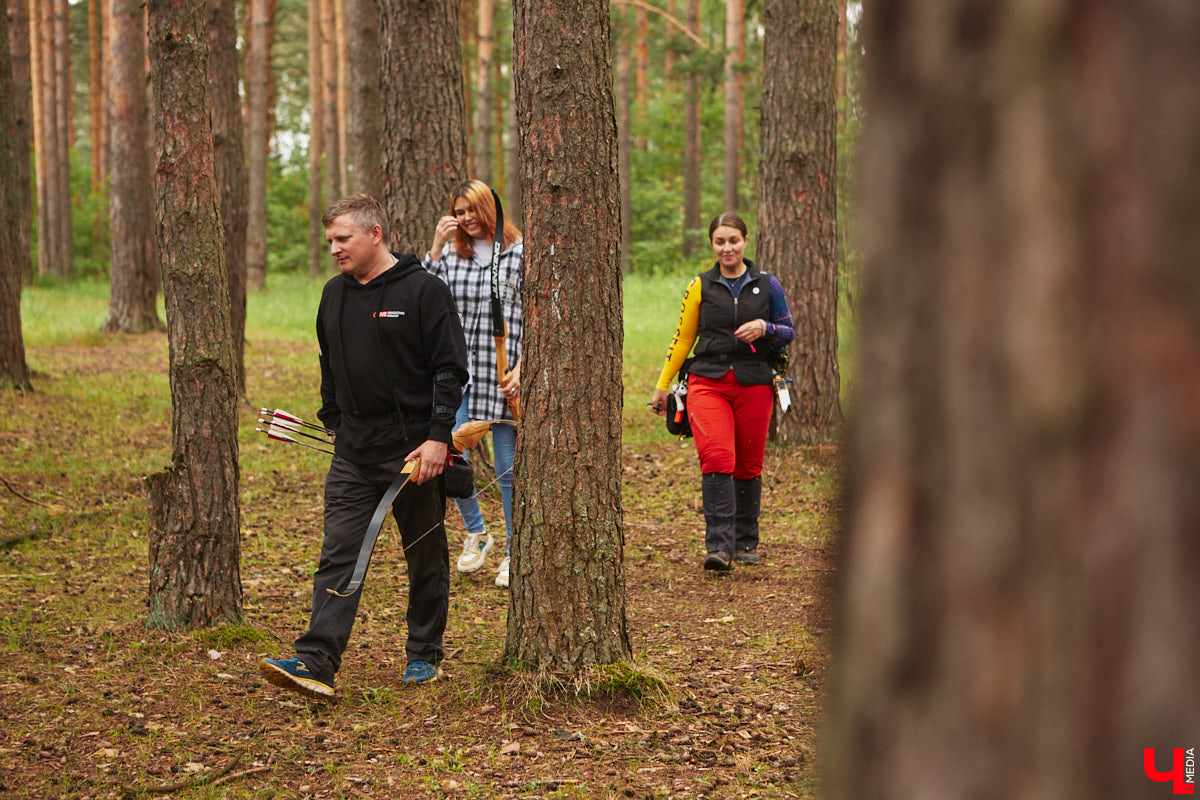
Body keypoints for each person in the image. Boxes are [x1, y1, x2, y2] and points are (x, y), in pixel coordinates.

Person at [260, 194, 469, 698]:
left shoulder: (425, 291)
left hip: (415, 453)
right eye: (330, 239)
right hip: (353, 452)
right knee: (339, 554)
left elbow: (450, 369)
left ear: (375, 234)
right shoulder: (334, 294)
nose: (334, 248)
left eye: (343, 238)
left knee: (424, 555)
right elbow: (328, 361)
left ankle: (424, 653)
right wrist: (333, 419)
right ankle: (316, 661)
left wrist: (438, 438)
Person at [649, 212, 795, 571]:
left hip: (754, 382)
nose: (727, 247)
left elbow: (788, 331)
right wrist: (662, 385)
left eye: (733, 240)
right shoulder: (700, 286)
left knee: (748, 464)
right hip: (708, 381)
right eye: (720, 241)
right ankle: (719, 547)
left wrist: (765, 327)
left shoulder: (767, 283)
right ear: (712, 245)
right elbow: (683, 338)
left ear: (745, 242)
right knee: (717, 458)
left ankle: (747, 543)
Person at [423, 179, 523, 588]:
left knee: (506, 467)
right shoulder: (450, 254)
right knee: (450, 455)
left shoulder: (517, 254)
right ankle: (478, 532)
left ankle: (516, 550)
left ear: (490, 209)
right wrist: (435, 246)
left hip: (502, 375)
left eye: (471, 211)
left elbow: (536, 311)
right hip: (461, 375)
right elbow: (426, 295)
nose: (465, 219)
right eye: (458, 212)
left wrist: (523, 366)